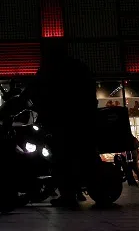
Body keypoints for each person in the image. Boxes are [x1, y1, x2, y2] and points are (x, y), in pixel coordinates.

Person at [32, 40, 96, 207]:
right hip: (79, 118)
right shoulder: (76, 66)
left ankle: (68, 194)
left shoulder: (50, 68)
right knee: (65, 154)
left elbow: (36, 88)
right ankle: (70, 192)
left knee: (60, 155)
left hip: (62, 119)